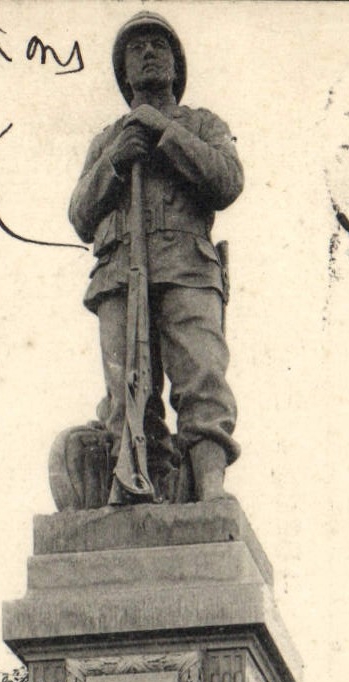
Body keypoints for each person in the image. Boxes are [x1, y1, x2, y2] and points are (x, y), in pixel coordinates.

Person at [69, 12, 243, 502]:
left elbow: (227, 180)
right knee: (128, 393)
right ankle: (143, 488)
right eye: (136, 48)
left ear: (175, 64)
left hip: (186, 266)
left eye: (158, 45)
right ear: (124, 72)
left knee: (202, 377)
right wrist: (115, 161)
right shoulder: (107, 139)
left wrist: (164, 133)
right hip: (120, 274)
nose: (147, 52)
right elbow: (79, 215)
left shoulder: (202, 124)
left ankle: (209, 487)